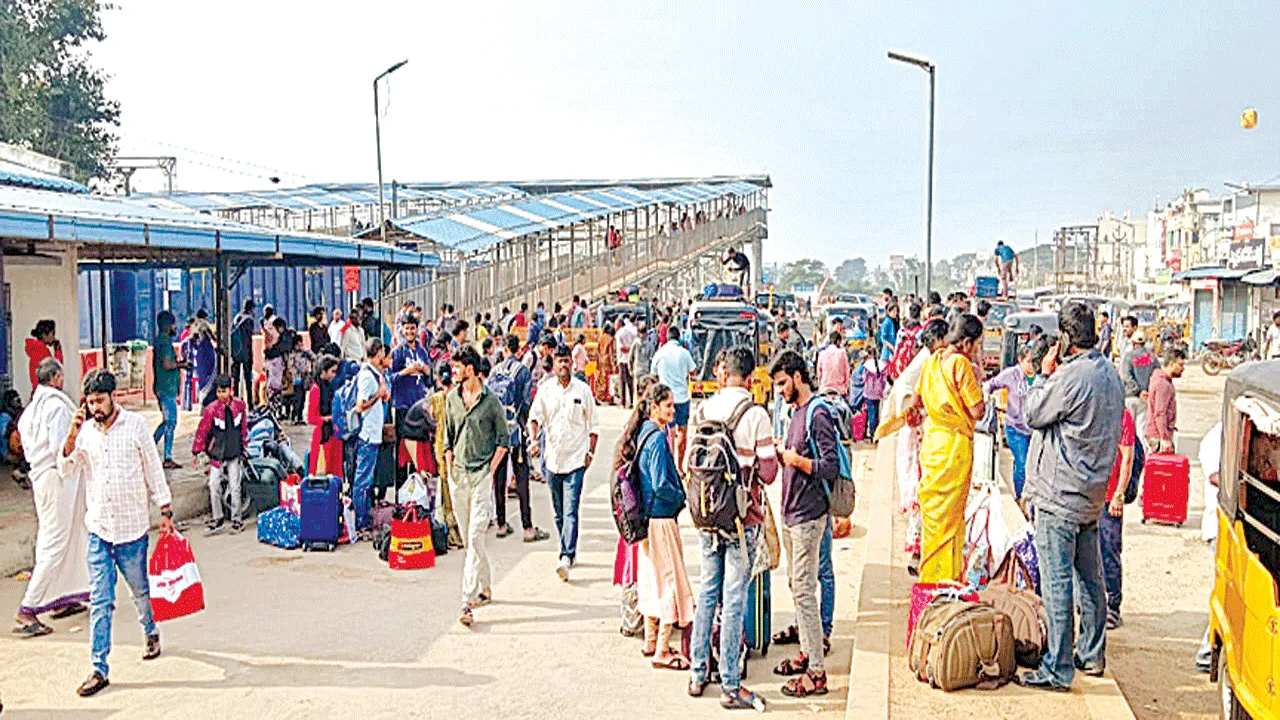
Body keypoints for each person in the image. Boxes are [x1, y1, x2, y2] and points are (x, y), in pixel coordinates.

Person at [1017, 302, 1124, 692]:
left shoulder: (1070, 377)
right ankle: (1091, 653)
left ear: (1064, 338)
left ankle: (1057, 668)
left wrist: (1041, 377)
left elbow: (1033, 413)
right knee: (1090, 580)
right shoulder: (1110, 373)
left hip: (1060, 494)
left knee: (1058, 582)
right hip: (1091, 493)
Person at [59, 369, 173, 698]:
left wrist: (165, 510)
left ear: (113, 397)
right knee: (101, 601)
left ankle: (150, 630)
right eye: (89, 401)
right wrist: (71, 433)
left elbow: (153, 469)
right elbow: (66, 469)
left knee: (139, 590)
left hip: (132, 529)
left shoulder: (136, 426)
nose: (95, 407)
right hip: (99, 529)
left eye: (99, 400)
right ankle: (99, 668)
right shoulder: (85, 433)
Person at [687, 346, 778, 710]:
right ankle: (729, 683)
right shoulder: (755, 414)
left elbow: (688, 462)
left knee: (708, 592)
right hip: (743, 519)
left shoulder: (703, 409)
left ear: (724, 373)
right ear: (752, 377)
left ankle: (697, 673)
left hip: (706, 515)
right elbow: (769, 474)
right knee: (734, 597)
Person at [769, 349, 838, 698]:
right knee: (798, 588)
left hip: (810, 516)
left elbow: (830, 466)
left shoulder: (818, 414)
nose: (780, 390)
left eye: (783, 383)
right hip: (793, 513)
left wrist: (796, 460)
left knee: (806, 592)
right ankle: (807, 652)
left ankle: (816, 672)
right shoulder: (795, 413)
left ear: (798, 377)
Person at [906, 314, 986, 583]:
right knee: (951, 521)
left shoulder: (931, 362)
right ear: (965, 343)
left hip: (932, 445)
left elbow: (915, 402)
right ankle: (947, 579)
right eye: (976, 345)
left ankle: (929, 576)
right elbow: (977, 410)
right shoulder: (961, 365)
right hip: (954, 447)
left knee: (933, 517)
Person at [13, 358, 87, 637]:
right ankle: (28, 608)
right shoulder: (56, 407)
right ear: (56, 377)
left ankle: (61, 596)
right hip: (57, 477)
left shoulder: (31, 410)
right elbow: (62, 447)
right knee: (55, 541)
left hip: (43, 477)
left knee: (61, 536)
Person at [624, 383, 694, 671]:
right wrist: (682, 496)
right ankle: (663, 649)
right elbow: (661, 483)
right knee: (670, 583)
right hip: (662, 518)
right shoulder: (656, 440)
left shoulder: (644, 434)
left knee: (652, 581)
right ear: (654, 408)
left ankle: (651, 640)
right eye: (668, 406)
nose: (673, 411)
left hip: (647, 520)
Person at [444, 346, 509, 628]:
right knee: (470, 538)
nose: (453, 372)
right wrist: (448, 470)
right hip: (458, 476)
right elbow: (447, 437)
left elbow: (503, 441)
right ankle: (486, 586)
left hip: (481, 475)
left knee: (475, 535)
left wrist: (490, 471)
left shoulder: (491, 401)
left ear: (469, 369)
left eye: (457, 367)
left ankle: (466, 601)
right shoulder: (451, 400)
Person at [528, 344, 600, 581]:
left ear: (571, 363)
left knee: (570, 510)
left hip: (576, 460)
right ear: (554, 363)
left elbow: (594, 426)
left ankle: (566, 555)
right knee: (559, 513)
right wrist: (533, 440)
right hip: (553, 460)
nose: (563, 365)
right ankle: (567, 545)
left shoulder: (583, 391)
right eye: (559, 361)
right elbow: (534, 418)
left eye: (566, 361)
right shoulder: (546, 390)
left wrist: (589, 453)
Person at [886, 318, 950, 574]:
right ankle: (918, 551)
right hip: (917, 435)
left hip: (921, 432)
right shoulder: (926, 361)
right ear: (937, 340)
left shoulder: (928, 360)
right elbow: (903, 389)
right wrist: (913, 411)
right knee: (920, 489)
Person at [490, 334, 549, 544]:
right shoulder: (522, 371)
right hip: (517, 432)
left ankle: (501, 523)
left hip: (498, 434)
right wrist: (527, 429)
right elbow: (525, 403)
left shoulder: (494, 371)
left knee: (499, 477)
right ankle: (527, 527)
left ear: (504, 349)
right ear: (518, 350)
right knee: (521, 477)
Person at [192, 375, 249, 536]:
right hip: (216, 454)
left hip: (234, 453)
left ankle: (237, 520)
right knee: (213, 485)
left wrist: (245, 448)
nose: (221, 395)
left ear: (231, 390)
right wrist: (196, 451)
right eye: (219, 392)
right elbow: (202, 431)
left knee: (235, 486)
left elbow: (243, 429)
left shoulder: (240, 406)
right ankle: (218, 519)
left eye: (224, 391)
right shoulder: (211, 410)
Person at [983, 342, 1037, 499]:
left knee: (1033, 467)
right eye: (1028, 361)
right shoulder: (1012, 374)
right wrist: (986, 395)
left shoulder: (1041, 376)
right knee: (1022, 463)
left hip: (1035, 429)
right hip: (1016, 427)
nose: (1032, 366)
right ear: (1020, 361)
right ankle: (1021, 498)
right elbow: (990, 384)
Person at [1100, 406, 1136, 630]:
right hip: (1088, 496)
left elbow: (1127, 458)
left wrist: (1119, 495)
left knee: (1109, 551)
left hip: (1109, 498)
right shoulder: (1089, 406)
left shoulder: (1121, 415)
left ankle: (1113, 606)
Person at [352, 338, 391, 535]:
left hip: (374, 435)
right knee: (363, 481)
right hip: (367, 435)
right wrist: (377, 395)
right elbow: (360, 406)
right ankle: (361, 523)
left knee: (367, 480)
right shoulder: (367, 377)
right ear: (378, 353)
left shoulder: (377, 374)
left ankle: (365, 519)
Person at [1195, 421, 1223, 673]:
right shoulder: (1216, 438)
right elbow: (1216, 477)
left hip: (1227, 525)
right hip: (1219, 526)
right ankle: (1206, 651)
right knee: (1225, 590)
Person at [427, 360, 464, 550]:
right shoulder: (458, 396)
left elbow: (432, 419)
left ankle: (451, 532)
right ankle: (459, 529)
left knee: (446, 490)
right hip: (458, 445)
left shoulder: (436, 398)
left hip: (441, 446)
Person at [650, 334, 697, 467]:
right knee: (682, 431)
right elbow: (693, 371)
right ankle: (680, 466)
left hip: (665, 399)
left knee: (668, 432)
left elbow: (653, 373)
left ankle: (669, 466)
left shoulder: (660, 353)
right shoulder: (684, 353)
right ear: (678, 339)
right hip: (682, 398)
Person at [151, 311, 186, 470]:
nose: (175, 327)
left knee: (168, 421)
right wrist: (181, 365)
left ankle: (152, 446)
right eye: (173, 324)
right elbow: (167, 364)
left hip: (164, 387)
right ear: (167, 326)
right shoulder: (164, 342)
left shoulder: (161, 341)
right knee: (170, 422)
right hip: (166, 388)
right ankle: (166, 456)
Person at [1120, 330, 1159, 448]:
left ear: (1133, 343)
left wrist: (1138, 391)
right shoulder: (1152, 358)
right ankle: (1141, 456)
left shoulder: (1128, 357)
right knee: (1141, 428)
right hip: (1145, 398)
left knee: (1128, 430)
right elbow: (1156, 375)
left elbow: (1126, 376)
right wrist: (1146, 390)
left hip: (1131, 397)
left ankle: (1131, 458)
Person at [306, 355, 344, 475]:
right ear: (323, 371)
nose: (334, 375)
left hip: (331, 434)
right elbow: (311, 418)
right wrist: (327, 418)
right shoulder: (316, 389)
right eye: (332, 371)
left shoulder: (328, 386)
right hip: (323, 436)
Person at [1145, 346, 1185, 453]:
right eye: (1180, 365)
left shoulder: (1160, 380)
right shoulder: (1163, 385)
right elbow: (1160, 413)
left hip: (1156, 435)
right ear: (1172, 364)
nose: (1183, 368)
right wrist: (1165, 438)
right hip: (1158, 437)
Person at [25, 319, 64, 396]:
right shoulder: (42, 350)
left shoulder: (35, 348)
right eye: (52, 333)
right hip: (46, 392)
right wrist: (58, 350)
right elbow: (55, 368)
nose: (53, 337)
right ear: (45, 335)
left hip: (38, 391)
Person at [230, 300, 257, 397]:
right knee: (247, 380)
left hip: (235, 353)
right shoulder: (249, 319)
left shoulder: (236, 317)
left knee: (236, 380)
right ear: (252, 308)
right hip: (246, 353)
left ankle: (235, 401)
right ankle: (249, 403)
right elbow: (248, 338)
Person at [815, 330, 851, 398]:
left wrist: (820, 386)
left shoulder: (822, 354)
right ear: (838, 341)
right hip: (840, 390)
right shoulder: (842, 353)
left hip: (824, 389)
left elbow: (819, 374)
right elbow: (847, 373)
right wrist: (846, 388)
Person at [616, 315, 638, 408]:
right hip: (630, 360)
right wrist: (631, 351)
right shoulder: (633, 332)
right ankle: (632, 402)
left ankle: (623, 402)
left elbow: (621, 348)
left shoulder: (619, 333)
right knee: (630, 382)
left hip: (622, 360)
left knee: (622, 382)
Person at [596, 323, 617, 405]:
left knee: (602, 378)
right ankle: (608, 396)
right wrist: (613, 365)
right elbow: (611, 353)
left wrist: (597, 361)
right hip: (607, 361)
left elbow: (597, 351)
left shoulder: (601, 338)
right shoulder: (610, 339)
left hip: (601, 359)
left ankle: (601, 395)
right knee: (608, 380)